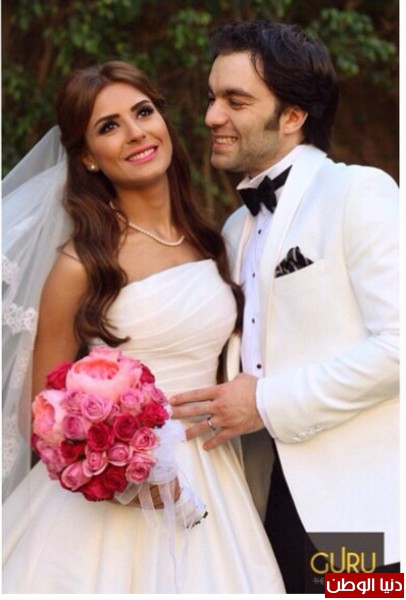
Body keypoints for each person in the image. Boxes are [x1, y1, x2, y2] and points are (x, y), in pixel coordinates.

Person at [2, 60, 286, 594]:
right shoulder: (80, 264)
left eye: (143, 112)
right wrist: (117, 470)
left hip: (211, 476)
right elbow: (38, 415)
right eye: (109, 126)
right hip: (115, 499)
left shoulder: (212, 238)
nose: (135, 132)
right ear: (88, 156)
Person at [169, 20, 400, 593]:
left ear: (293, 114)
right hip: (254, 505)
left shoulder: (358, 192)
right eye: (211, 98)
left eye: (235, 100)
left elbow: (399, 349)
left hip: (354, 511)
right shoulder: (233, 228)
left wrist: (264, 402)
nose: (212, 116)